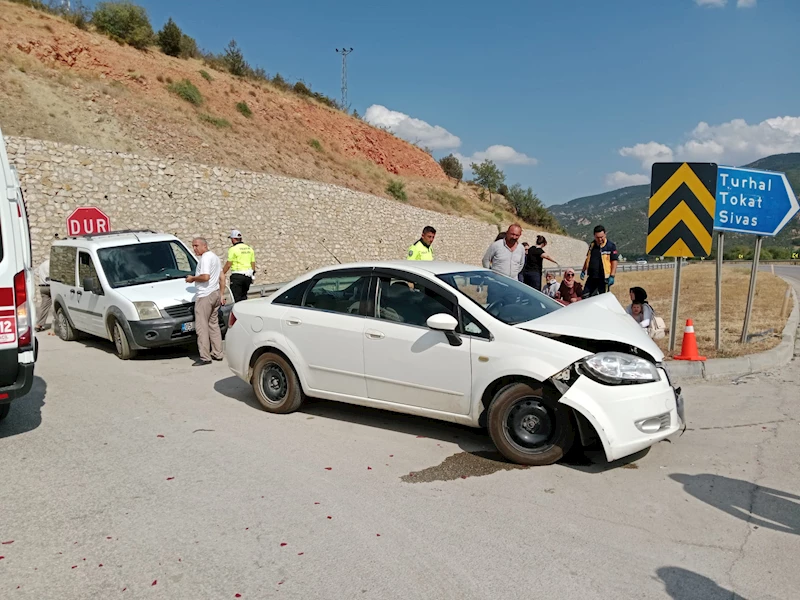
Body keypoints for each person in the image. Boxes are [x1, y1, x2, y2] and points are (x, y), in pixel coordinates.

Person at [185, 237, 224, 366]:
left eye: (196, 245)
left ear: (204, 246)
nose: (194, 249)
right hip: (215, 293)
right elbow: (221, 277)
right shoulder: (215, 257)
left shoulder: (205, 258)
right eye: (193, 246)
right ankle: (218, 353)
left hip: (205, 295)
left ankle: (205, 357)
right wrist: (221, 294)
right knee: (213, 324)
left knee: (202, 327)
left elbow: (205, 277)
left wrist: (193, 278)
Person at [580, 225, 618, 297]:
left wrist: (612, 276)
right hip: (592, 277)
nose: (600, 239)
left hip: (604, 278)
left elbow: (614, 261)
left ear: (605, 234)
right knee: (585, 295)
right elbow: (588, 258)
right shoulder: (592, 245)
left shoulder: (610, 246)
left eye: (602, 237)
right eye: (598, 237)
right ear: (594, 236)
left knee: (602, 298)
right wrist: (583, 270)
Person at [222, 229, 256, 302]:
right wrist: (252, 275)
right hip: (248, 276)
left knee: (236, 298)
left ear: (233, 239)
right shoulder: (249, 248)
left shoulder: (233, 249)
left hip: (237, 277)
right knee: (244, 298)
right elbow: (253, 263)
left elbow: (228, 264)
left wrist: (221, 274)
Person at [35, 259, 51, 332]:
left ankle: (39, 324)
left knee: (44, 306)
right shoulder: (51, 263)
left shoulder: (42, 264)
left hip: (43, 287)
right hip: (51, 286)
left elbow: (36, 272)